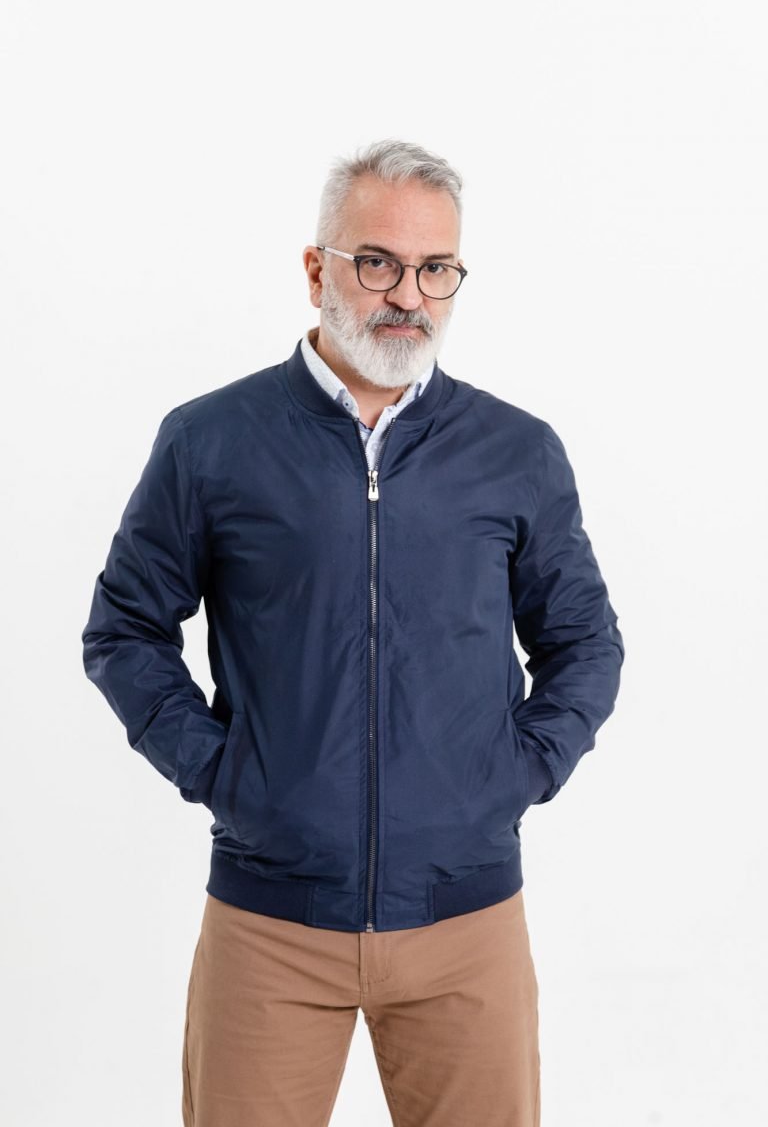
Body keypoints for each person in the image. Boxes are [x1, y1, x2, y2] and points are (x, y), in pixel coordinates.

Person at [82, 138, 624, 1127]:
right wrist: (226, 774)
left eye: (436, 268)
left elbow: (585, 642)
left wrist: (516, 774)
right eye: (377, 262)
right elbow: (124, 626)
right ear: (316, 269)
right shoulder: (211, 441)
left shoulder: (516, 452)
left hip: (467, 922)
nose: (407, 295)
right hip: (270, 923)